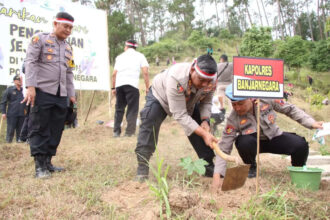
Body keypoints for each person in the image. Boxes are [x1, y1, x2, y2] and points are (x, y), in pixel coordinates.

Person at [212, 84, 324, 190]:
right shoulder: (233, 118)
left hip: (274, 137)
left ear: (250, 98)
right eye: (233, 104)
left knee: (300, 145)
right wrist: (218, 175)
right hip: (253, 143)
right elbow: (224, 147)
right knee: (243, 142)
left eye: (240, 103)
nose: (237, 108)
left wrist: (311, 123)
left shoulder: (266, 99)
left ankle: (298, 170)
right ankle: (251, 167)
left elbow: (290, 109)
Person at [135, 54, 219, 181]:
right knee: (150, 121)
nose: (205, 84)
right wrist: (203, 133)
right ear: (192, 70)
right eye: (201, 80)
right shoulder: (177, 77)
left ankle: (208, 165)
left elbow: (206, 102)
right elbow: (179, 114)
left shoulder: (212, 80)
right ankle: (142, 167)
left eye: (208, 81)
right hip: (161, 97)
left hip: (190, 101)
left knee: (201, 128)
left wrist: (205, 120)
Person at [22, 12, 76, 179]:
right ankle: (39, 167)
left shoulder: (68, 48)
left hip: (61, 95)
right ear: (55, 24)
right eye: (65, 26)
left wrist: (71, 95)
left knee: (56, 129)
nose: (68, 30)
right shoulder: (40, 39)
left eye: (71, 28)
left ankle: (48, 163)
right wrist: (30, 86)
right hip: (42, 92)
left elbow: (69, 73)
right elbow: (30, 62)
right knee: (40, 128)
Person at [111, 40, 149, 138]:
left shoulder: (119, 57)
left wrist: (113, 87)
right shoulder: (140, 56)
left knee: (119, 109)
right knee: (132, 109)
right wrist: (147, 87)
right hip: (132, 85)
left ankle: (116, 132)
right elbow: (145, 72)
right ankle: (129, 132)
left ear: (126, 47)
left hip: (119, 85)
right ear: (135, 47)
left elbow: (114, 74)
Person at [0, 75, 25, 143]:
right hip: (12, 114)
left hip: (22, 114)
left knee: (21, 131)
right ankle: (8, 144)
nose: (20, 81)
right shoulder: (10, 90)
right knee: (10, 131)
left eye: (21, 80)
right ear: (14, 81)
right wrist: (3, 112)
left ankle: (19, 144)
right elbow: (3, 102)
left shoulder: (24, 90)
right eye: (18, 80)